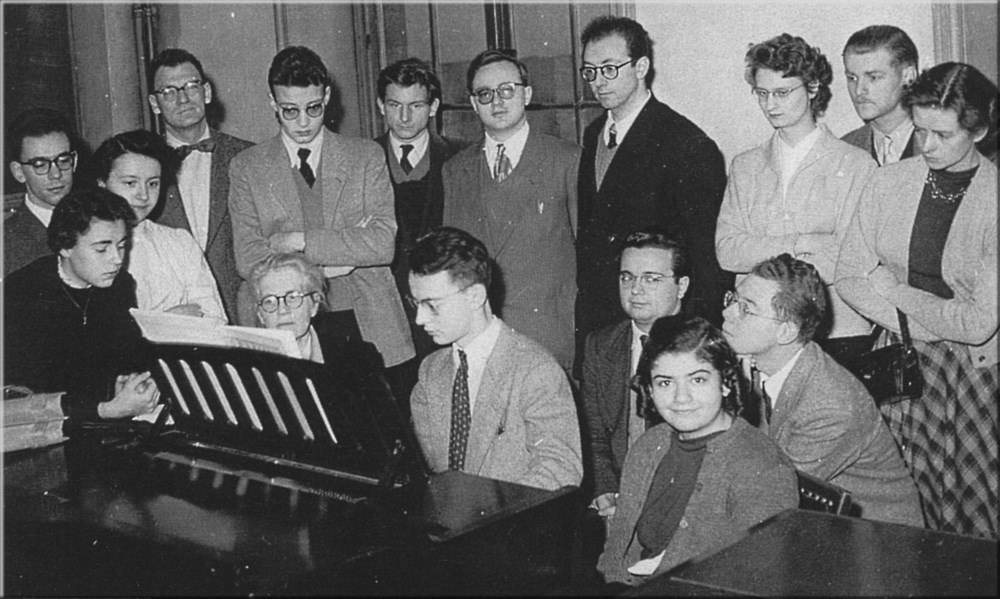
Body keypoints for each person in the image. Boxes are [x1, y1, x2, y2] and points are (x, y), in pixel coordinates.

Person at [836, 62, 998, 539]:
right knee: (901, 506)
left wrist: (894, 291)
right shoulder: (888, 182)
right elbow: (849, 274)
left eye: (942, 134)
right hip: (902, 363)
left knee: (971, 511)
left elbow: (976, 327)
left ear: (980, 131)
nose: (925, 146)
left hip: (973, 377)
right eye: (919, 129)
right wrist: (915, 324)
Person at [228, 45, 415, 389]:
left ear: (327, 96)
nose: (302, 122)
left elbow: (381, 244)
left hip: (367, 321)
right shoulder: (246, 168)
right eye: (289, 111)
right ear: (272, 101)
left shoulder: (365, 156)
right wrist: (333, 267)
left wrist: (296, 241)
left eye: (313, 108)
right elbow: (249, 259)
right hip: (286, 326)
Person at [723, 254, 923, 526]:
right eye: (733, 299)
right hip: (819, 526)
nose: (727, 313)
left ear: (785, 332)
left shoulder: (828, 406)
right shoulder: (759, 362)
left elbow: (766, 494)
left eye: (746, 308)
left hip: (877, 542)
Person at [597, 315, 798, 586]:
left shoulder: (761, 467)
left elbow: (757, 578)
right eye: (665, 382)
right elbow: (618, 544)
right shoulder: (649, 444)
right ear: (649, 390)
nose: (681, 398)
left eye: (698, 380)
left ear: (726, 382)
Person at [715, 33, 876, 367]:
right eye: (762, 94)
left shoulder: (855, 164)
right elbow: (727, 250)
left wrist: (760, 251)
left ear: (813, 87)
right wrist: (804, 241)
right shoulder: (745, 166)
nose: (771, 105)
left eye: (782, 93)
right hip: (759, 337)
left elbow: (847, 261)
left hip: (839, 334)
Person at [575, 16, 729, 364]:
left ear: (641, 66)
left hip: (664, 329)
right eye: (589, 71)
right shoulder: (592, 135)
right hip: (604, 327)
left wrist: (695, 341)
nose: (598, 82)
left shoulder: (686, 144)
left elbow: (705, 258)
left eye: (610, 68)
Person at [407, 226, 582, 491]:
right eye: (416, 303)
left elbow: (561, 469)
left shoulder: (535, 371)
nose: (420, 319)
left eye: (432, 305)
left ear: (475, 296)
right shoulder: (431, 371)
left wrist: (485, 516)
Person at [442, 49, 579, 371]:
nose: (496, 101)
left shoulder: (567, 160)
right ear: (473, 103)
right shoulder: (455, 170)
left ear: (527, 94)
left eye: (507, 90)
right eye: (485, 94)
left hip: (549, 337)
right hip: (480, 335)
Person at [4, 188, 160, 430]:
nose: (117, 259)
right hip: (44, 439)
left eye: (121, 245)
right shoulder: (21, 293)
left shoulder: (120, 286)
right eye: (101, 249)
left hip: (105, 426)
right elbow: (22, 401)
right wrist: (105, 409)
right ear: (65, 247)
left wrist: (130, 382)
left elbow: (127, 358)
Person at [375, 57, 468, 398]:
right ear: (380, 106)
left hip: (443, 312)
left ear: (433, 107)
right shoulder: (361, 159)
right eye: (394, 105)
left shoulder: (461, 157)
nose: (403, 117)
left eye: (415, 105)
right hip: (384, 318)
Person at [581, 230, 691, 518]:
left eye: (652, 279)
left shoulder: (705, 347)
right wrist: (605, 490)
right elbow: (593, 434)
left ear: (682, 286)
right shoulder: (600, 345)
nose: (636, 290)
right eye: (627, 277)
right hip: (616, 499)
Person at [148, 48, 253, 323]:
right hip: (176, 321)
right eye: (168, 91)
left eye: (191, 86)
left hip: (244, 315)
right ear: (154, 103)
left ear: (206, 92)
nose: (182, 98)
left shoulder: (248, 157)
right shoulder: (142, 167)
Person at [249, 252, 405, 437]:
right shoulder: (248, 368)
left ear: (314, 305)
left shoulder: (358, 358)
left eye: (293, 297)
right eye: (269, 301)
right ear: (260, 316)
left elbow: (385, 435)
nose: (282, 310)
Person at [94, 129, 225, 320]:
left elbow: (214, 318)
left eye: (153, 184)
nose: (143, 195)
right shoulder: (88, 246)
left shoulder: (179, 242)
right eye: (130, 183)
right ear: (102, 183)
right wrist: (171, 318)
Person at [5, 108, 79, 275]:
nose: (56, 174)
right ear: (19, 172)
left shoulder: (97, 224)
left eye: (63, 160)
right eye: (40, 164)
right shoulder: (5, 245)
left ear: (74, 162)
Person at [841, 25, 920, 165]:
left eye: (873, 77)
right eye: (852, 78)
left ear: (908, 76)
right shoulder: (845, 150)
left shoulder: (941, 142)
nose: (859, 91)